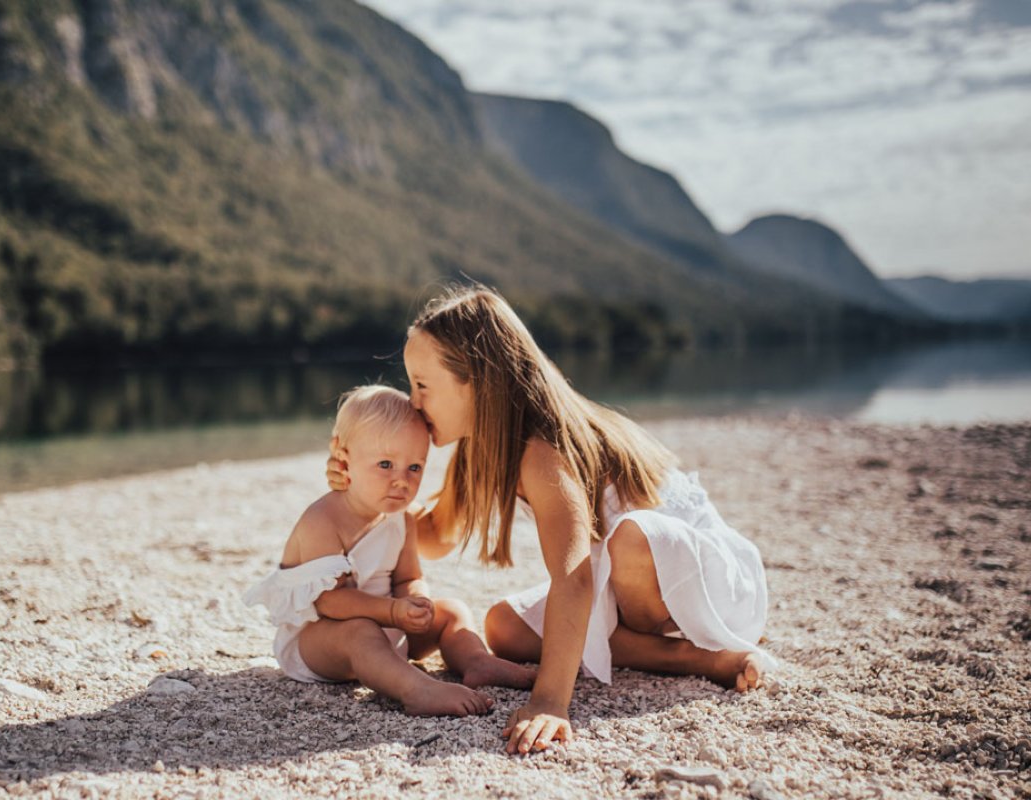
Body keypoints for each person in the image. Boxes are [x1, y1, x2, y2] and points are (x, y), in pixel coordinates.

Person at [326, 287, 776, 753]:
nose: (413, 403)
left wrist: (550, 700)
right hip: (623, 588)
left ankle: (707, 645)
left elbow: (574, 579)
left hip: (701, 579)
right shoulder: (482, 445)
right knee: (502, 625)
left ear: (478, 380)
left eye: (422, 385)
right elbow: (434, 536)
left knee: (629, 538)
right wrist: (359, 493)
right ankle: (694, 658)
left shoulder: (544, 449)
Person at [245, 384, 535, 717]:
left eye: (414, 468)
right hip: (323, 640)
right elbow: (330, 601)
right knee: (360, 633)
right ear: (343, 458)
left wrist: (416, 601)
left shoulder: (403, 518)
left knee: (452, 610)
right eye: (385, 464)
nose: (402, 481)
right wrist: (394, 612)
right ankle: (416, 689)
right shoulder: (323, 521)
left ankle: (477, 661)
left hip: (388, 623)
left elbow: (408, 576)